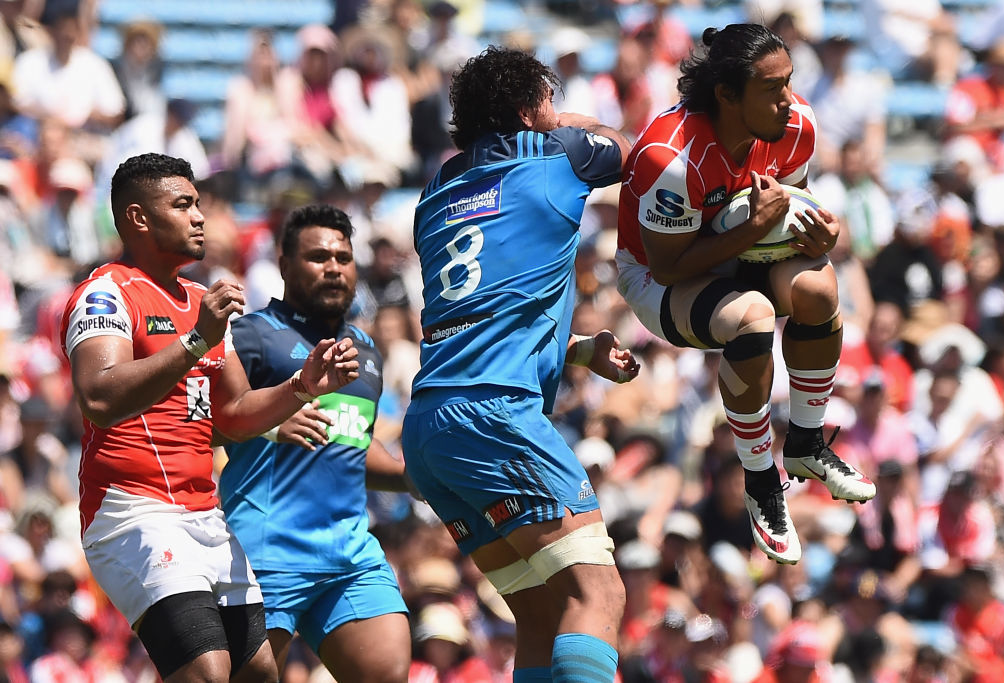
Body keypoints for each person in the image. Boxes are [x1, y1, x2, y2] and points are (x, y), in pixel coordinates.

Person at [58, 153, 360, 682]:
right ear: (138, 219)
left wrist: (301, 386)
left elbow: (236, 415)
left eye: (198, 203)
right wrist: (196, 338)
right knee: (207, 671)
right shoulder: (106, 292)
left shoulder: (199, 299)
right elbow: (99, 398)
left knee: (259, 673)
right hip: (132, 511)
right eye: (183, 204)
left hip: (204, 513)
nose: (200, 216)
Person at [401, 46, 639, 682]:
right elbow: (632, 151)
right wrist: (565, 123)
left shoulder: (435, 192)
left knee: (541, 612)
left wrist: (575, 350)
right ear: (531, 110)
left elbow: (483, 313)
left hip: (431, 428)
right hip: (496, 414)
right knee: (599, 596)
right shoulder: (553, 157)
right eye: (549, 101)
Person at [615, 23, 876, 566]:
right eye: (771, 88)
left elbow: (791, 207)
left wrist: (823, 237)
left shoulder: (797, 125)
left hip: (737, 249)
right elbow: (667, 266)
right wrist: (750, 231)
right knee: (752, 315)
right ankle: (760, 480)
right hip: (658, 277)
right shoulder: (670, 157)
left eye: (789, 83)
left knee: (820, 285)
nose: (788, 100)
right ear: (726, 95)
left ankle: (806, 445)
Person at [220, 203, 411, 682]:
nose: (333, 268)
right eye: (318, 257)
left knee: (386, 671)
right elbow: (199, 419)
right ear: (284, 265)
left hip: (347, 552)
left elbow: (350, 444)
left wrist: (416, 477)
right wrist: (269, 421)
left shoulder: (364, 352)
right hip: (265, 548)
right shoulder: (251, 337)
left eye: (343, 259)